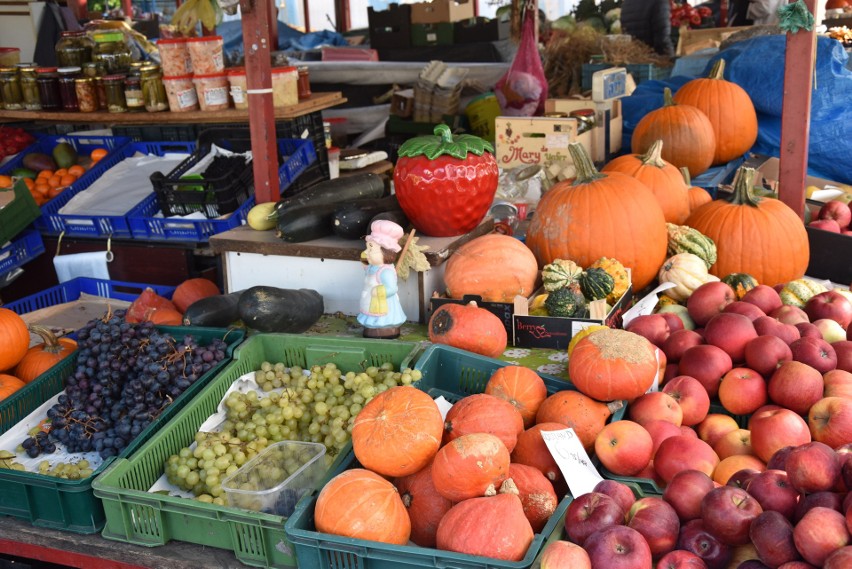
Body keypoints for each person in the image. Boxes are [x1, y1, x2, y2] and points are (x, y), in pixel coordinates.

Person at [357, 220, 407, 339]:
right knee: (371, 317)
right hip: (370, 302)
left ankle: (384, 330)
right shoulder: (373, 267)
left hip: (383, 305)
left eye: (371, 249)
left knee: (382, 320)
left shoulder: (385, 271)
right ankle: (372, 328)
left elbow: (392, 288)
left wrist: (380, 291)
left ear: (385, 253)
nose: (366, 252)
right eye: (367, 249)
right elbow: (369, 274)